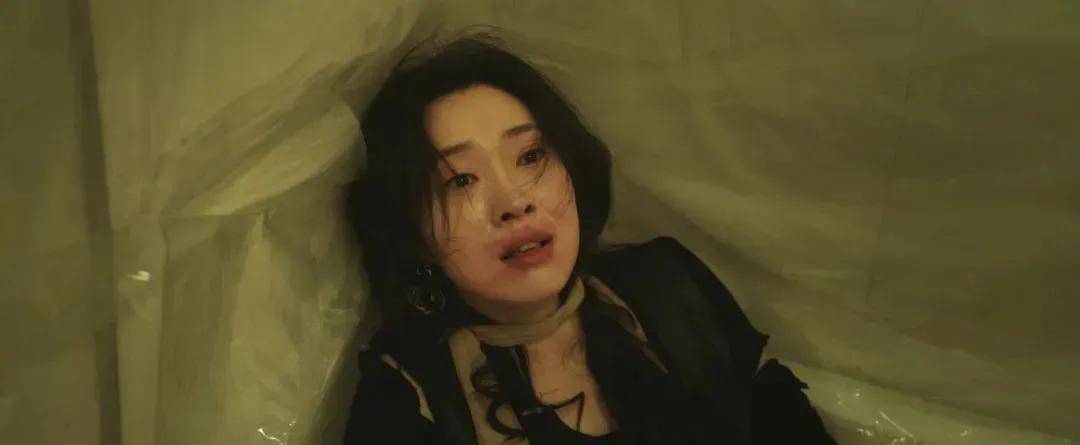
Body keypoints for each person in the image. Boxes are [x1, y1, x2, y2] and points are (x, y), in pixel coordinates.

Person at [343, 31, 837, 445]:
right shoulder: (407, 391)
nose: (514, 202)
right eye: (460, 180)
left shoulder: (670, 284)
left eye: (531, 156)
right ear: (412, 232)